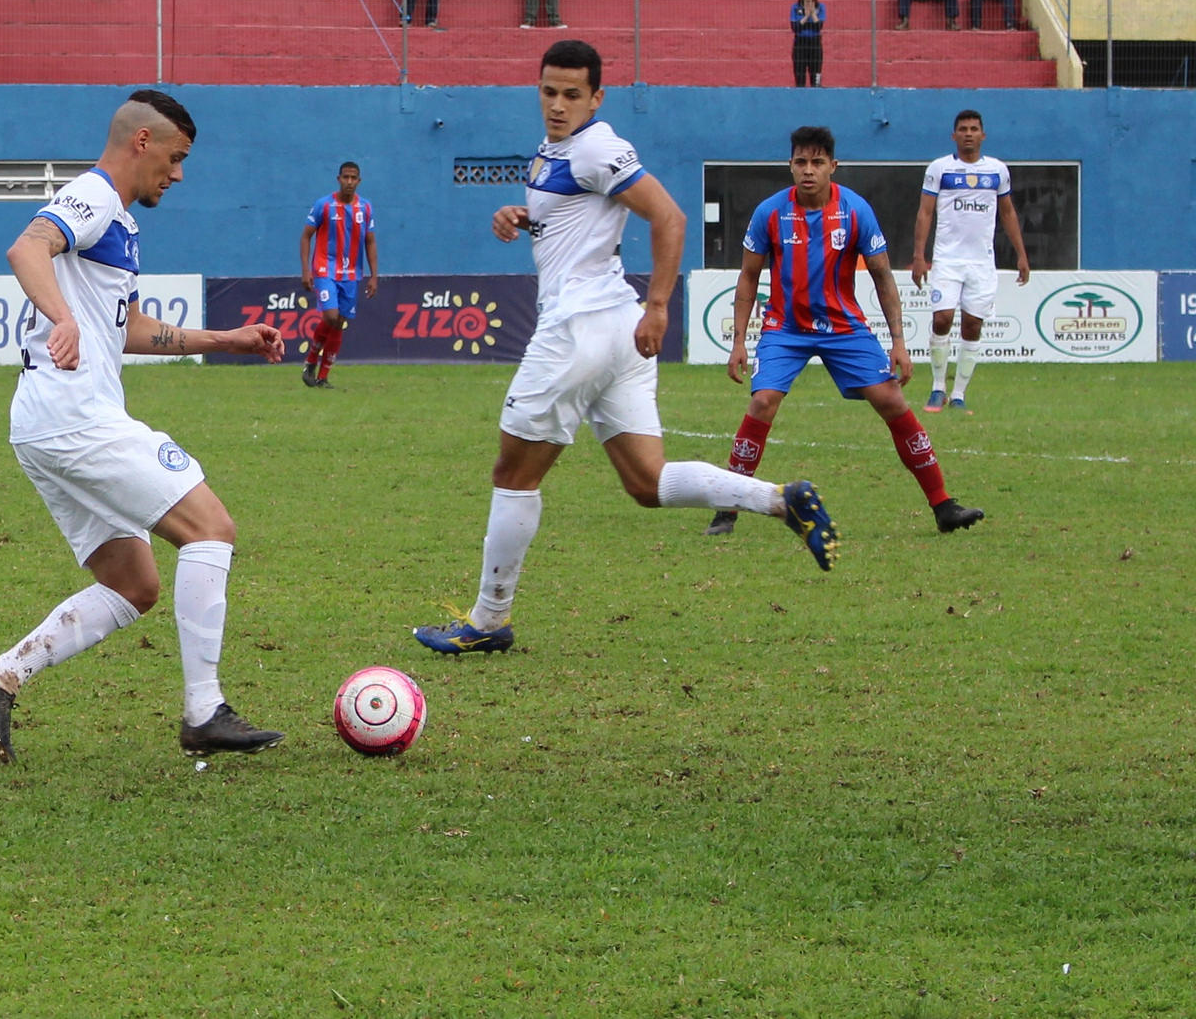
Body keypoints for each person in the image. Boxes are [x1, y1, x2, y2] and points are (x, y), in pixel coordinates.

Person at [412, 42, 840, 659]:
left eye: (571, 95)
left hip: (580, 331)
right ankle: (778, 500)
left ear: (597, 98)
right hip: (615, 331)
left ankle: (488, 619)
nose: (557, 105)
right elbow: (577, 221)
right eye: (548, 91)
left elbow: (668, 217)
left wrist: (661, 304)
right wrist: (520, 218)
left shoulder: (595, 147)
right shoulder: (558, 153)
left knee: (514, 474)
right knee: (646, 481)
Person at [0, 90, 288, 766]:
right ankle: (204, 713)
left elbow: (128, 327)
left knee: (134, 584)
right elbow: (27, 249)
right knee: (212, 529)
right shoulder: (96, 194)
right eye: (177, 156)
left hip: (45, 423)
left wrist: (226, 339)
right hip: (75, 417)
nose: (180, 173)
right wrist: (63, 319)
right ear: (143, 142)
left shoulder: (119, 224)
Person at [706, 125, 983, 539]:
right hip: (786, 327)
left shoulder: (855, 210)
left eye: (817, 162)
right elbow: (748, 277)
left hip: (843, 327)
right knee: (762, 401)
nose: (808, 170)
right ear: (790, 166)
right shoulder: (770, 212)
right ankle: (727, 511)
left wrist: (899, 343)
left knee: (891, 399)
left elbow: (883, 276)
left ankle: (943, 506)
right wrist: (739, 342)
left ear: (833, 166)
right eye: (801, 162)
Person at [910, 110, 1030, 413]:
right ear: (954, 135)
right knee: (942, 318)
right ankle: (938, 388)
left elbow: (1008, 213)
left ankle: (959, 394)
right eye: (962, 129)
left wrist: (1021, 254)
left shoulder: (997, 171)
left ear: (983, 135)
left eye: (974, 129)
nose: (968, 133)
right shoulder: (940, 168)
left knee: (973, 324)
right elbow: (925, 212)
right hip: (947, 260)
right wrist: (918, 255)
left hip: (981, 262)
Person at [298, 160, 377, 388]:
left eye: (354, 178)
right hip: (325, 269)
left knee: (339, 322)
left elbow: (370, 242)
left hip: (351, 273)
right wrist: (306, 270)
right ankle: (311, 360)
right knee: (331, 317)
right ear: (338, 179)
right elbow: (306, 236)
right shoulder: (323, 205)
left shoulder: (366, 208)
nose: (349, 182)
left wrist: (374, 275)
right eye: (346, 177)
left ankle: (322, 377)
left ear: (359, 181)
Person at [790, 0, 824, 87]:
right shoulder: (795, 7)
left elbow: (818, 27)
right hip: (800, 43)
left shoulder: (821, 7)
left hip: (815, 43)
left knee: (816, 78)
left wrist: (813, 14)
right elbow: (795, 28)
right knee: (800, 77)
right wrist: (806, 17)